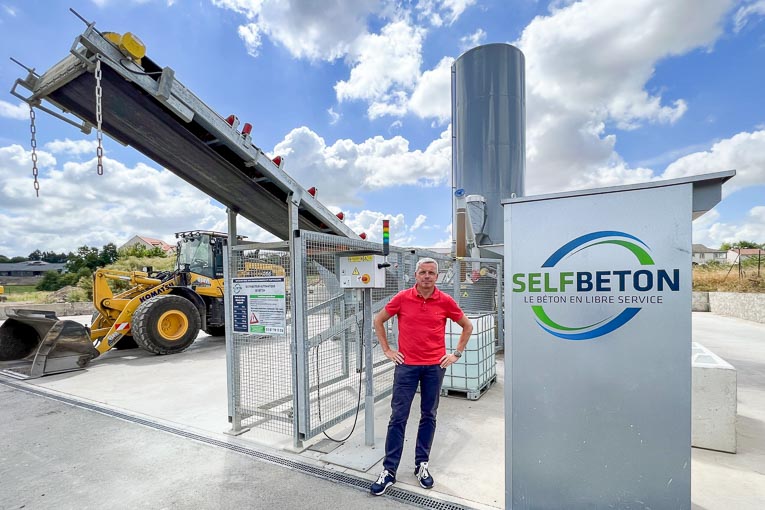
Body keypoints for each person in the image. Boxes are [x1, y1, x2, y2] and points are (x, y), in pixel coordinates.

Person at [370, 257, 473, 496]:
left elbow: (467, 326)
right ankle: (389, 470)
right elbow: (378, 319)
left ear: (437, 277)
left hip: (434, 368)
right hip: (406, 367)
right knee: (398, 417)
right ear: (416, 275)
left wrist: (455, 354)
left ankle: (421, 465)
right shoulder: (402, 298)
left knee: (429, 415)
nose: (427, 276)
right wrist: (387, 350)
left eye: (431, 273)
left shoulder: (445, 301)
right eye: (423, 272)